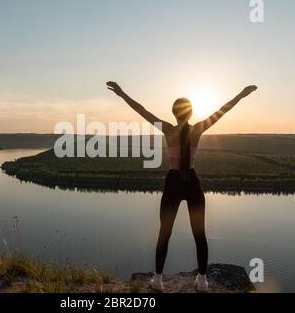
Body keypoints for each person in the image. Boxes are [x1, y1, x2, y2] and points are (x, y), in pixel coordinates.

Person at [107, 81, 257, 292]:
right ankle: (202, 281)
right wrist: (241, 94)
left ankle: (158, 280)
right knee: (200, 234)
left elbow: (143, 111)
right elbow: (222, 110)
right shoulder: (197, 130)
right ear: (191, 113)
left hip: (173, 182)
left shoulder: (168, 129)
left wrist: (122, 94)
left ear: (174, 113)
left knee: (164, 232)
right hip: (192, 182)